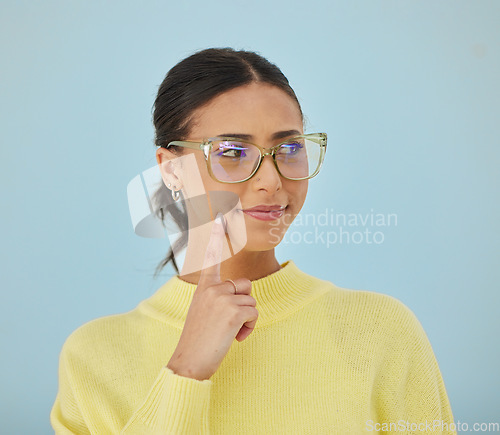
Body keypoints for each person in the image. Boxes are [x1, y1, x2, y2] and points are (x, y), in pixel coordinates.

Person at [50, 48, 456, 434]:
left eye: (289, 148)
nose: (271, 180)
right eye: (231, 151)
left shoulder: (380, 330)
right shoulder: (93, 357)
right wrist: (186, 370)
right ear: (171, 170)